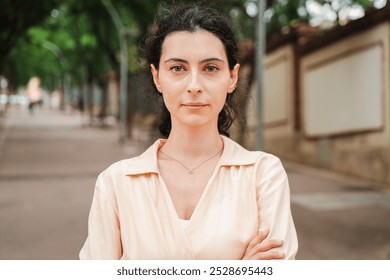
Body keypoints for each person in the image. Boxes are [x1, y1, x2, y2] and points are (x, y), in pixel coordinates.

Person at [80, 2, 298, 260]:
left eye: (210, 68)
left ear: (232, 77)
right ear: (157, 76)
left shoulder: (263, 175)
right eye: (177, 68)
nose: (194, 85)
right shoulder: (115, 183)